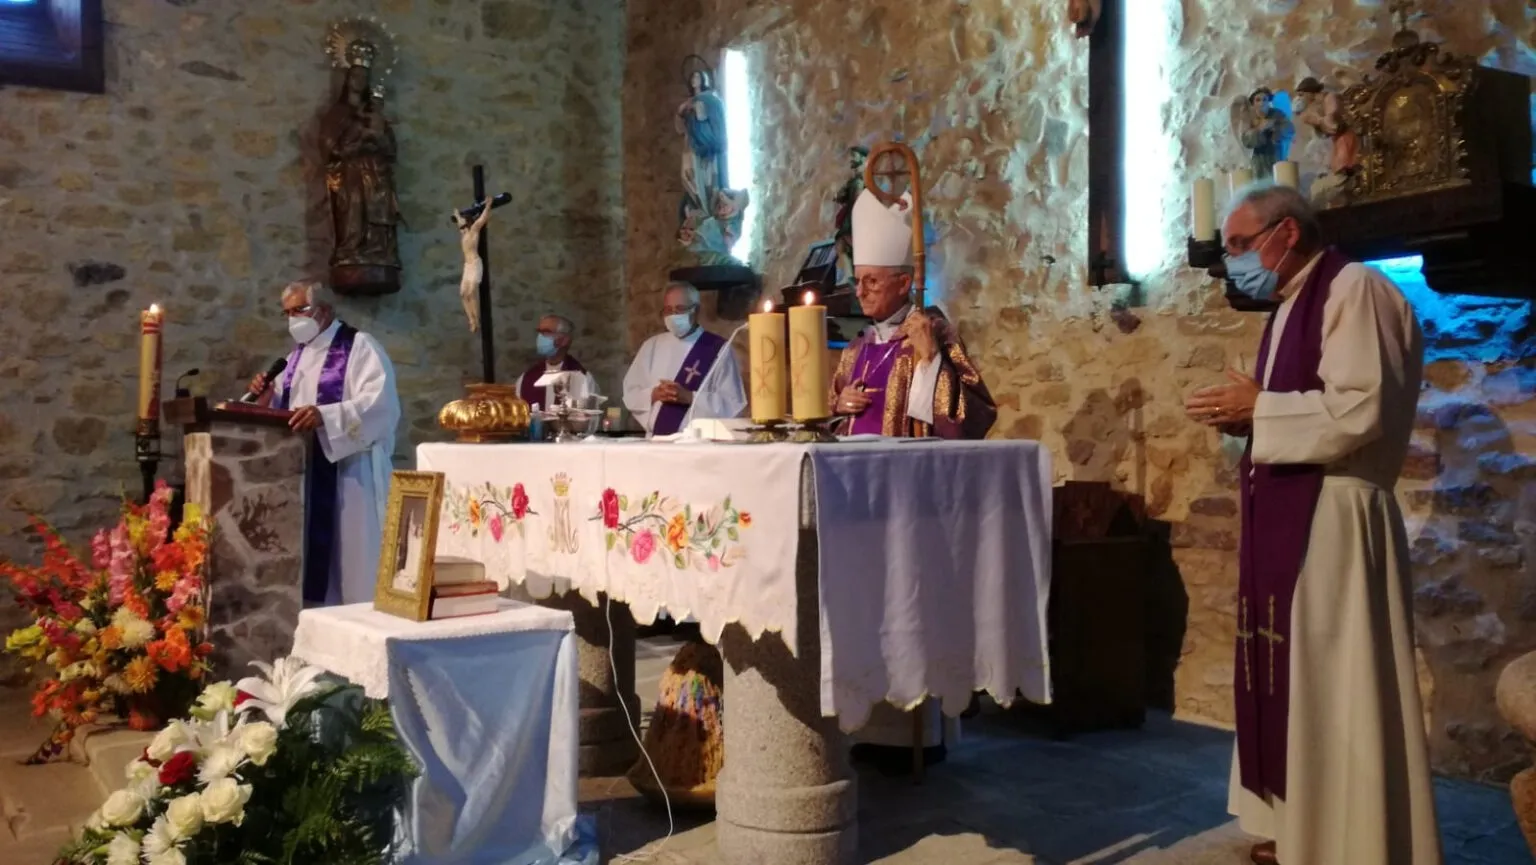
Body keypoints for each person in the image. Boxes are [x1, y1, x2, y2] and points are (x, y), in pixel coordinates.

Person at [1184, 184, 1441, 865]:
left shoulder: (1356, 290)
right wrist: (1248, 416)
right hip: (1299, 508)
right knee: (1300, 680)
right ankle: (1305, 829)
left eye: (1241, 245)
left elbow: (1361, 409)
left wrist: (1260, 408)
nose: (1234, 261)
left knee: (1336, 682)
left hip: (1336, 514)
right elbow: (1305, 408)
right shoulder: (1292, 305)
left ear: (1287, 233)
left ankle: (1352, 842)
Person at [250, 279, 402, 607]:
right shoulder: (293, 361)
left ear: (325, 310)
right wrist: (265, 400)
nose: (293, 319)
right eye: (287, 313)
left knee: (354, 567)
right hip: (306, 476)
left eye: (299, 310)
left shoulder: (360, 346)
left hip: (351, 475)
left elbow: (381, 406)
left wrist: (326, 416)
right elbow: (284, 416)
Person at [830, 187, 996, 439]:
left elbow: (974, 416)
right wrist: (839, 406)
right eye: (858, 281)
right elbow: (828, 422)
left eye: (872, 281)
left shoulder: (936, 333)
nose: (860, 292)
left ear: (904, 283)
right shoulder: (855, 349)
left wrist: (931, 361)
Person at [621, 282, 745, 436]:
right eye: (668, 310)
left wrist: (690, 397)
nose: (673, 315)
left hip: (699, 442)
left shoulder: (718, 349)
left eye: (680, 309)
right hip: (656, 440)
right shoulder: (651, 346)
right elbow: (631, 392)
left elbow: (732, 404)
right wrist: (654, 394)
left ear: (696, 310)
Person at [515, 315, 598, 411]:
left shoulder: (583, 379)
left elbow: (589, 416)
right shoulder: (526, 378)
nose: (540, 337)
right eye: (539, 332)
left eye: (546, 332)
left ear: (564, 340)